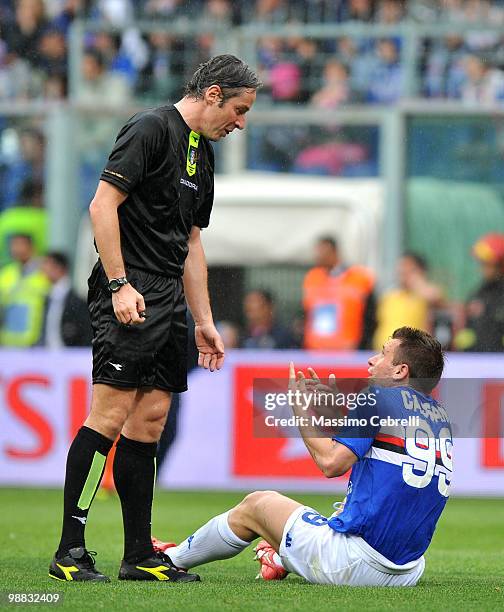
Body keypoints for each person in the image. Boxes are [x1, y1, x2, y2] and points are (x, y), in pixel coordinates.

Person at [49, 54, 260, 583]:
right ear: (212, 94)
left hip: (168, 297)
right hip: (132, 286)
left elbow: (191, 242)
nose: (241, 122)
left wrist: (205, 318)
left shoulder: (201, 154)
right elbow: (102, 206)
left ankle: (138, 553)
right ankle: (68, 551)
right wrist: (120, 284)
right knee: (110, 416)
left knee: (150, 423)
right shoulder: (150, 128)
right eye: (238, 109)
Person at [153, 327, 451, 587]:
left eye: (384, 354)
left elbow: (331, 463)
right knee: (342, 511)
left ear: (400, 371)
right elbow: (381, 453)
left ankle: (170, 558)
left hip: (357, 564)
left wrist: (299, 407)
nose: (373, 360)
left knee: (256, 505)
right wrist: (335, 416)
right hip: (408, 570)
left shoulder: (375, 397)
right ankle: (282, 558)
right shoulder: (439, 417)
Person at [303, 236, 376, 350]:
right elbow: (307, 312)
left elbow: (370, 315)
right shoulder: (312, 278)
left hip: (348, 350)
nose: (318, 256)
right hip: (316, 349)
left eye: (323, 252)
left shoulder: (358, 278)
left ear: (334, 252)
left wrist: (363, 344)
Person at [373, 252, 445, 350]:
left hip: (411, 353)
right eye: (401, 268)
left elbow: (436, 299)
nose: (403, 272)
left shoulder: (424, 294)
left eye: (409, 269)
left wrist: (417, 282)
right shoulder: (390, 296)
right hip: (383, 352)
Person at [454, 232, 504, 352]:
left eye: (487, 263)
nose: (482, 268)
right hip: (478, 359)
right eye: (481, 263)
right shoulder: (480, 291)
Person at [0, 233, 49, 346]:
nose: (16, 249)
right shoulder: (5, 274)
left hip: (36, 343)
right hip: (7, 342)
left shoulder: (44, 273)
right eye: (13, 245)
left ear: (32, 247)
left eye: (20, 244)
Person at [40, 251, 92, 348]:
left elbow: (86, 334)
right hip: (47, 356)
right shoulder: (48, 297)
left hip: (71, 356)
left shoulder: (78, 301)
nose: (43, 269)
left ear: (59, 268)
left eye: (47, 264)